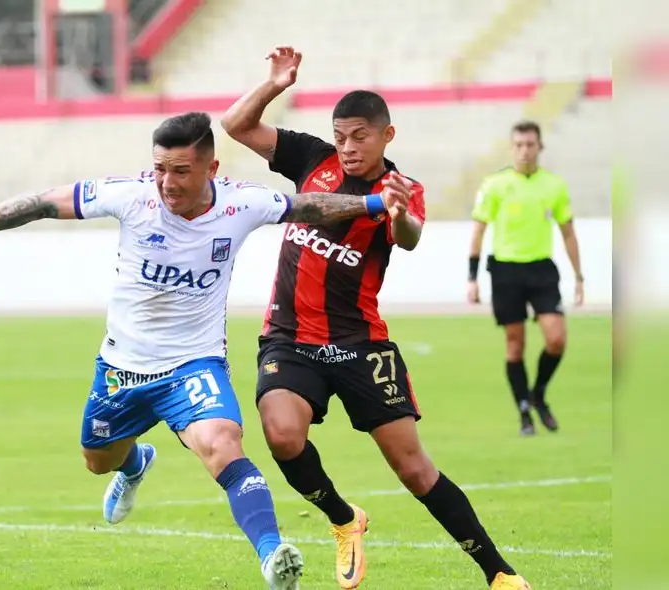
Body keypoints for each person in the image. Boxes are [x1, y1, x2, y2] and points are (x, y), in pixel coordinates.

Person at [0, 111, 413, 589]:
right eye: (159, 169)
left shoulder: (242, 204)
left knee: (223, 445)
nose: (167, 183)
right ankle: (135, 465)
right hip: (121, 369)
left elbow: (308, 206)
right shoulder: (132, 196)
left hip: (193, 366)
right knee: (97, 460)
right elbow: (43, 202)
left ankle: (272, 555)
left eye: (180, 171)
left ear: (211, 169)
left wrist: (377, 205)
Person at [222, 47, 531, 590]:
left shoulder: (402, 189)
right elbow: (235, 125)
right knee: (282, 435)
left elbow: (408, 238)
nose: (346, 147)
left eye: (359, 137)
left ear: (387, 136)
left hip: (360, 342)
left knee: (414, 469)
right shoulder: (311, 158)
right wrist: (274, 84)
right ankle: (344, 518)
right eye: (340, 136)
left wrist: (400, 212)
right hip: (290, 339)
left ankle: (499, 573)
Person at [467, 120, 584, 436]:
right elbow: (478, 231)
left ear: (540, 147)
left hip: (541, 269)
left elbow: (568, 233)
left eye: (530, 144)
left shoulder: (554, 186)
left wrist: (579, 276)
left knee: (556, 339)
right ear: (511, 148)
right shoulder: (495, 184)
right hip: (506, 270)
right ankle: (524, 413)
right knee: (515, 345)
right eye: (518, 145)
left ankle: (538, 393)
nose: (524, 151)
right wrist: (472, 277)